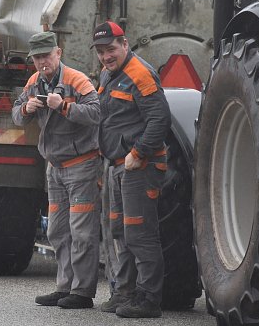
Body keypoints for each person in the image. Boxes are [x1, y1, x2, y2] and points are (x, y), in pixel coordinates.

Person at [12, 31, 101, 310]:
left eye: (46, 56)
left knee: (82, 232)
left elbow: (96, 114)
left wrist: (62, 107)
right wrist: (26, 108)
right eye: (37, 58)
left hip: (81, 167)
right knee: (58, 231)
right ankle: (65, 287)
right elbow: (15, 114)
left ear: (58, 53)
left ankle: (82, 292)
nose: (42, 63)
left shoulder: (77, 80)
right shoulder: (33, 82)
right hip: (55, 168)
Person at [92, 21, 171, 318]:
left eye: (110, 49)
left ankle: (149, 299)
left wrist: (138, 153)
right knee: (120, 233)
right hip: (116, 166)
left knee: (140, 235)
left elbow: (160, 119)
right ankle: (124, 291)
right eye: (101, 51)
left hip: (139, 166)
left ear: (125, 44)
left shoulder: (140, 74)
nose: (106, 56)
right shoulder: (109, 74)